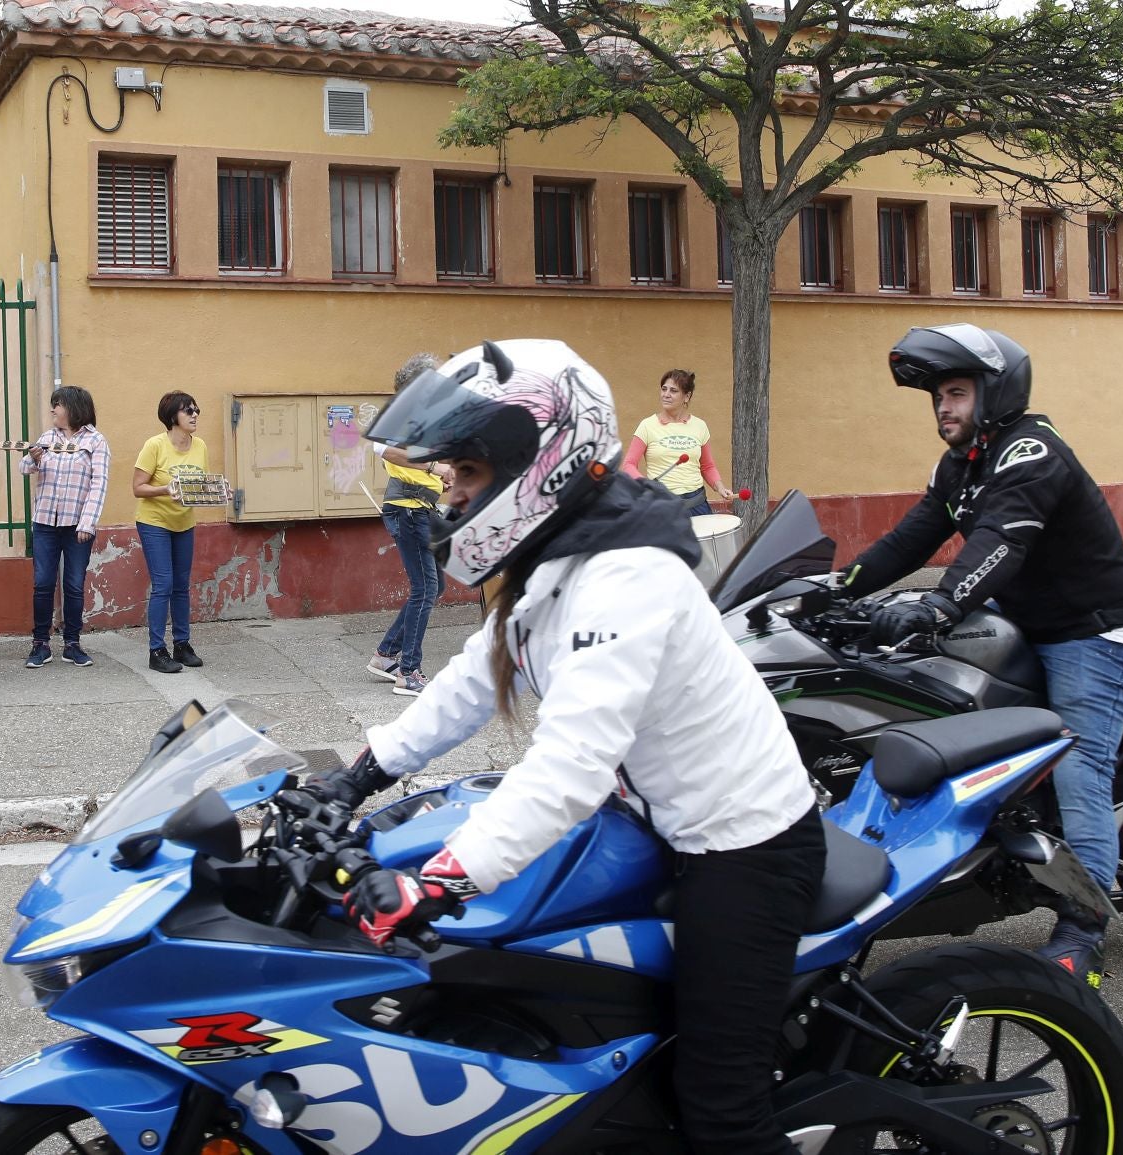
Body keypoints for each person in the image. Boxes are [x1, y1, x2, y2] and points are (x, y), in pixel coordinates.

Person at [303, 339, 822, 1153]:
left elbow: (571, 763)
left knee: (721, 1111)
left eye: (465, 473)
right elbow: (477, 676)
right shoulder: (556, 559)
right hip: (649, 819)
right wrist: (358, 773)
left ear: (539, 463)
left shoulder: (626, 575)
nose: (449, 492)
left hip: (741, 841)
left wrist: (437, 882)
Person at [838, 322, 1123, 985]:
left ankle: (1083, 930)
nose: (943, 408)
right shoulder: (960, 465)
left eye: (956, 392)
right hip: (1026, 626)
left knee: (1077, 764)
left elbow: (1000, 541)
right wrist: (833, 591)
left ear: (995, 390)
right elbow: (908, 541)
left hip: (1092, 636)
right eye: (937, 397)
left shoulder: (1031, 451)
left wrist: (939, 606)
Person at [364, 353, 453, 697]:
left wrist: (441, 477)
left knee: (435, 585)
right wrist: (433, 470)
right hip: (408, 508)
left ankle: (386, 655)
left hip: (421, 506)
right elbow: (383, 450)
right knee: (425, 588)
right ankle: (408, 671)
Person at [22, 385, 110, 669]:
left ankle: (72, 643)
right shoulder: (47, 437)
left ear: (73, 408)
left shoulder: (96, 441)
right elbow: (25, 469)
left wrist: (88, 523)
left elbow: (99, 484)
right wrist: (33, 457)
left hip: (77, 526)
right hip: (45, 521)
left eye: (57, 405)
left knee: (73, 584)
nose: (52, 410)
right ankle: (40, 644)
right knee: (43, 583)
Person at [131, 391, 207, 675]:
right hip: (154, 523)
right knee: (163, 584)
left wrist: (217, 493)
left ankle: (182, 645)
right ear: (172, 416)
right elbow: (138, 488)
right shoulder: (155, 445)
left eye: (197, 410)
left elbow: (199, 487)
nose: (195, 415)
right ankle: (156, 650)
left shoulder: (200, 446)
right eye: (188, 411)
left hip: (184, 523)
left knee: (181, 585)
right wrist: (165, 489)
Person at [621, 369, 737, 515]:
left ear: (686, 396)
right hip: (661, 505)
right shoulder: (647, 425)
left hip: (697, 505)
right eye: (664, 389)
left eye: (673, 391)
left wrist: (720, 487)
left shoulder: (700, 426)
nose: (666, 394)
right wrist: (646, 485)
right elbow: (628, 465)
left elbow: (707, 466)